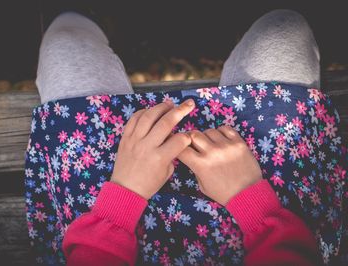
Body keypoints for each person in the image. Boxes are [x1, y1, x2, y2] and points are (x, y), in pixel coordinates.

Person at [25, 9, 347, 265]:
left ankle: (86, 16)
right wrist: (252, 201)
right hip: (263, 227)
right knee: (282, 30)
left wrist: (124, 193)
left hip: (111, 225)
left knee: (65, 42)